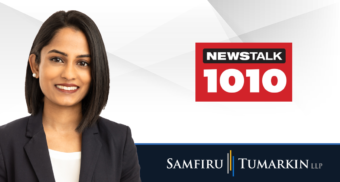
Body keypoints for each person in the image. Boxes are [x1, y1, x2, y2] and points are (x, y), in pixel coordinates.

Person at [0, 10, 141, 182]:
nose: (68, 74)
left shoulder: (119, 141)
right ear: (35, 65)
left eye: (83, 63)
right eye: (57, 59)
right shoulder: (5, 142)